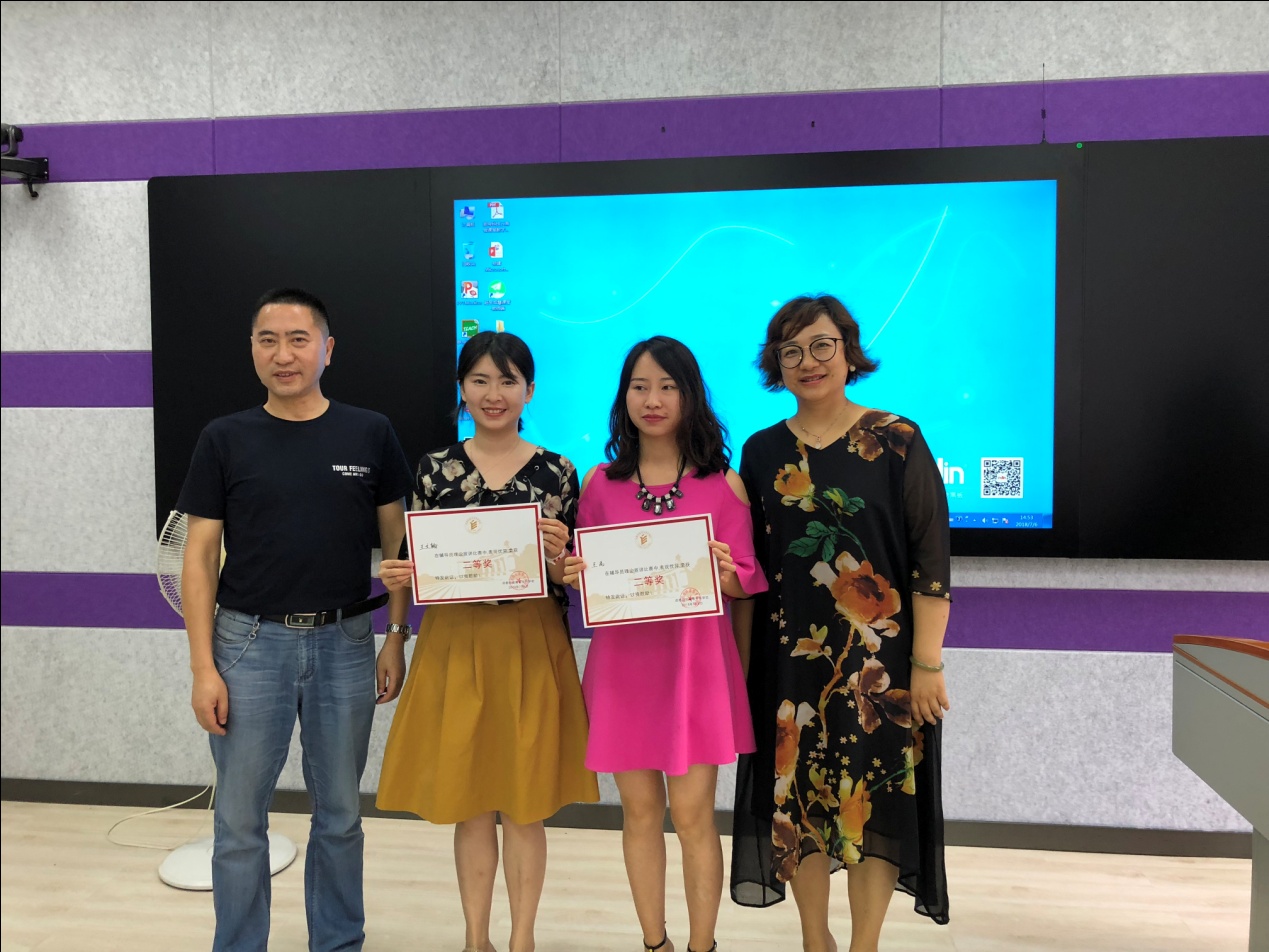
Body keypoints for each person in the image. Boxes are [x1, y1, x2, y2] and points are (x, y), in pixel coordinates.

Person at [178, 287, 414, 952]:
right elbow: (198, 557)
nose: (283, 354)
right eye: (268, 340)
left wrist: (396, 637)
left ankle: (337, 942)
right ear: (252, 350)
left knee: (339, 815)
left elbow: (399, 549)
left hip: (346, 642)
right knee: (238, 821)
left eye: (298, 339)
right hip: (247, 643)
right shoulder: (223, 438)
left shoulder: (370, 432)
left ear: (327, 350)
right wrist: (202, 667)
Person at [729, 295, 952, 952]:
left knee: (875, 801)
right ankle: (813, 940)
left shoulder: (896, 438)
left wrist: (928, 663)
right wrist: (739, 672)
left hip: (881, 665)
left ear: (849, 352)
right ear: (775, 365)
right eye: (791, 351)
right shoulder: (761, 451)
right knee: (797, 802)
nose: (809, 361)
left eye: (822, 345)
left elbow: (930, 563)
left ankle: (864, 944)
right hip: (789, 662)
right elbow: (750, 572)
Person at [376, 330, 599, 952]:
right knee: (471, 799)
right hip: (454, 641)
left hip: (532, 642)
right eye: (479, 380)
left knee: (526, 804)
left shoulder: (559, 471)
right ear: (462, 388)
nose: (493, 393)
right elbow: (414, 562)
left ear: (530, 390)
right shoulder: (433, 469)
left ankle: (522, 939)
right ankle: (476, 939)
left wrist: (562, 561)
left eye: (508, 380)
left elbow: (572, 574)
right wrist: (395, 618)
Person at [563, 336, 766, 952]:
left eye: (668, 387)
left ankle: (703, 945)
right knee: (640, 815)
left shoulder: (723, 484)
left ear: (690, 397)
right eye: (640, 387)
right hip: (623, 670)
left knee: (695, 817)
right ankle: (655, 942)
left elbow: (747, 578)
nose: (653, 400)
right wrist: (570, 570)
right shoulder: (599, 483)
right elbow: (586, 573)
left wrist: (727, 572)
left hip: (695, 669)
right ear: (623, 398)